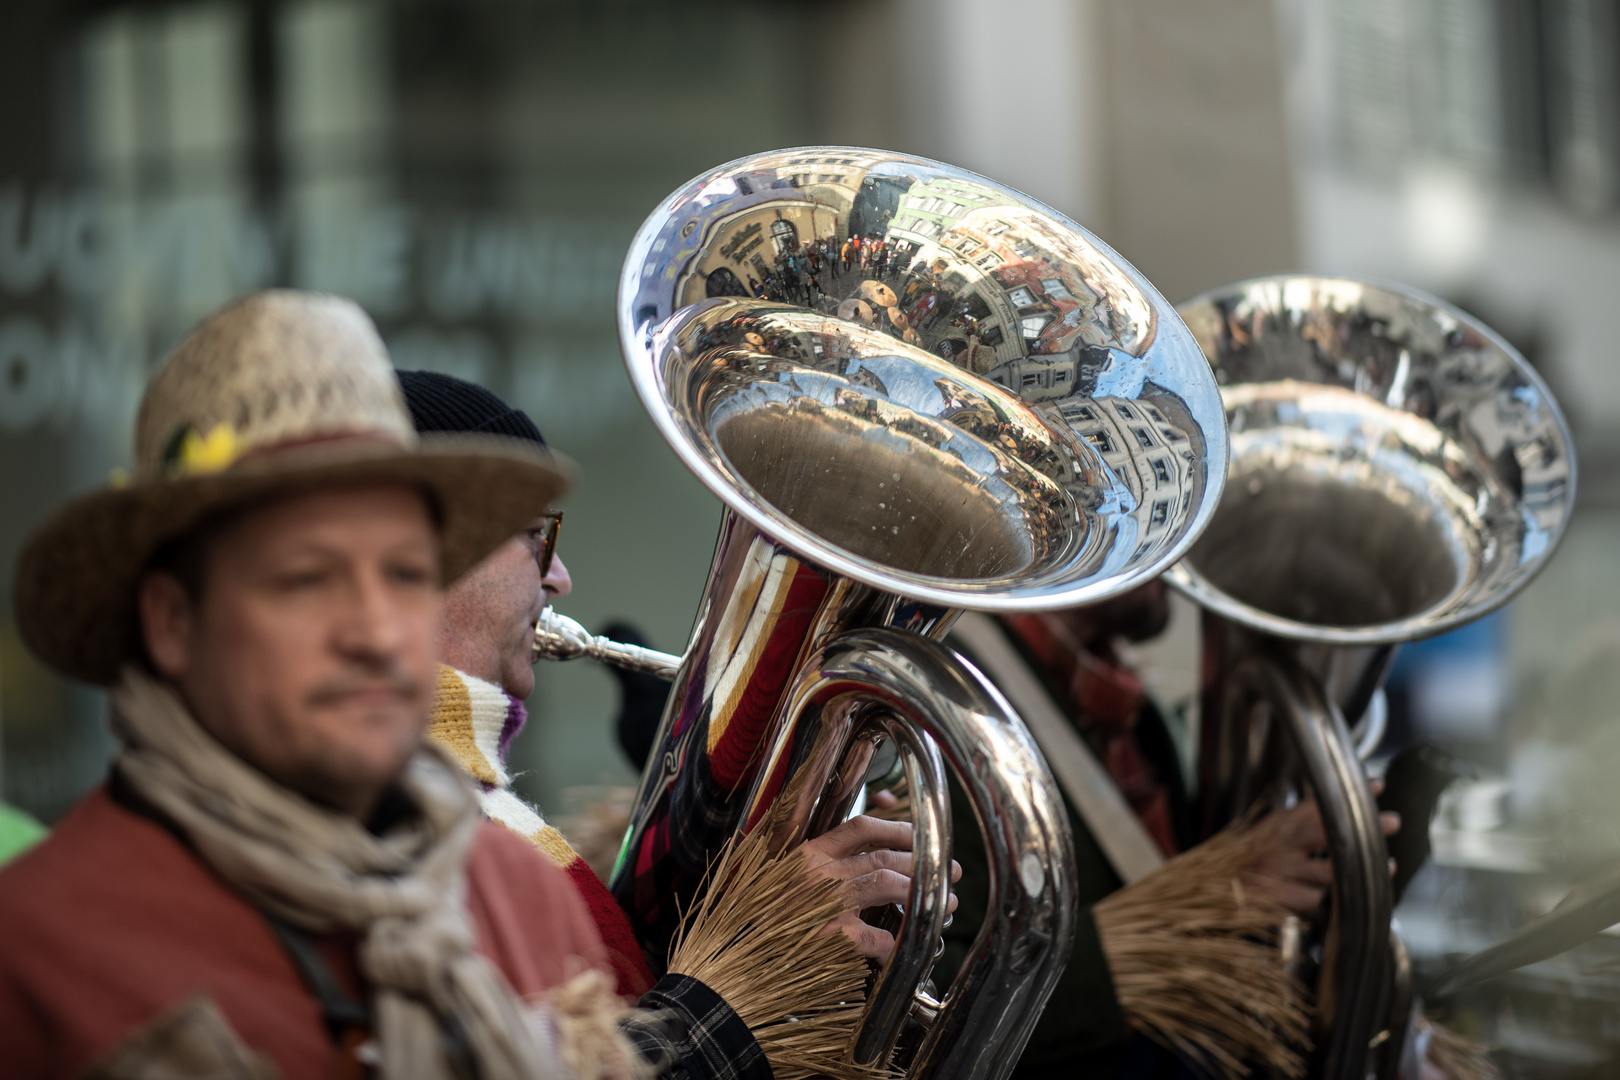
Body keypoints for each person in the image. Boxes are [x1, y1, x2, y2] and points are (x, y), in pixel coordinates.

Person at [0, 291, 906, 1080]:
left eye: (402, 572)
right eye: (306, 576)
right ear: (171, 620)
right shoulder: (33, 953)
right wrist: (716, 1026)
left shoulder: (515, 887)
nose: (376, 631)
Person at [393, 370, 934, 991]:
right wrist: (748, 964)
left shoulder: (467, 809)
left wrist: (762, 830)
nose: (560, 578)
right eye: (534, 536)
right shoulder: (404, 821)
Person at [940, 581, 1403, 1080]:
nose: (1178, 550)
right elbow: (908, 1003)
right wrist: (1208, 904)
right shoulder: (949, 686)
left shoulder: (1138, 712)